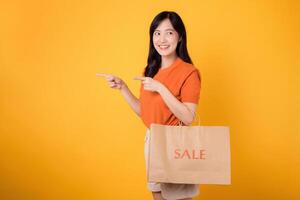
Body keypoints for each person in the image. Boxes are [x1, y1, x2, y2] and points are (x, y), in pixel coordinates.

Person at [97, 11, 201, 200]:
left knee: (178, 197)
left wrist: (160, 88)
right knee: (157, 195)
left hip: (175, 144)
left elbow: (188, 116)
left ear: (179, 38)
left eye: (169, 33)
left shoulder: (189, 72)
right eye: (157, 33)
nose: (162, 39)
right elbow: (146, 114)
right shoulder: (150, 70)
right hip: (152, 141)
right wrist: (123, 88)